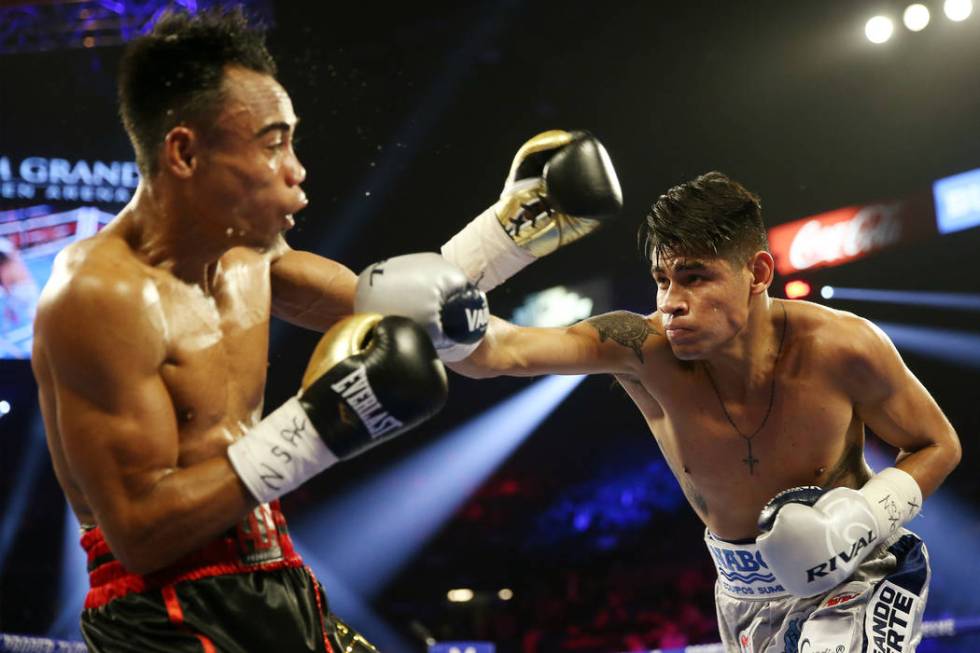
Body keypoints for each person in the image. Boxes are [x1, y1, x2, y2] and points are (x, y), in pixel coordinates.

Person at [30, 8, 497, 652]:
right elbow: (138, 535)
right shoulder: (98, 295)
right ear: (185, 152)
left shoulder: (258, 262)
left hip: (277, 580)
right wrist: (318, 426)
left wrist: (506, 240)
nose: (297, 169)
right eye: (273, 143)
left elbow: (430, 311)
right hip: (166, 612)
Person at [403, 170, 961, 651]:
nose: (671, 301)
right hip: (742, 592)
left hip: (860, 571)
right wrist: (461, 275)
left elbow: (938, 444)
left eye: (694, 277)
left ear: (759, 274)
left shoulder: (842, 347)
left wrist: (864, 518)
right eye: (662, 280)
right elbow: (498, 353)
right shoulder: (640, 350)